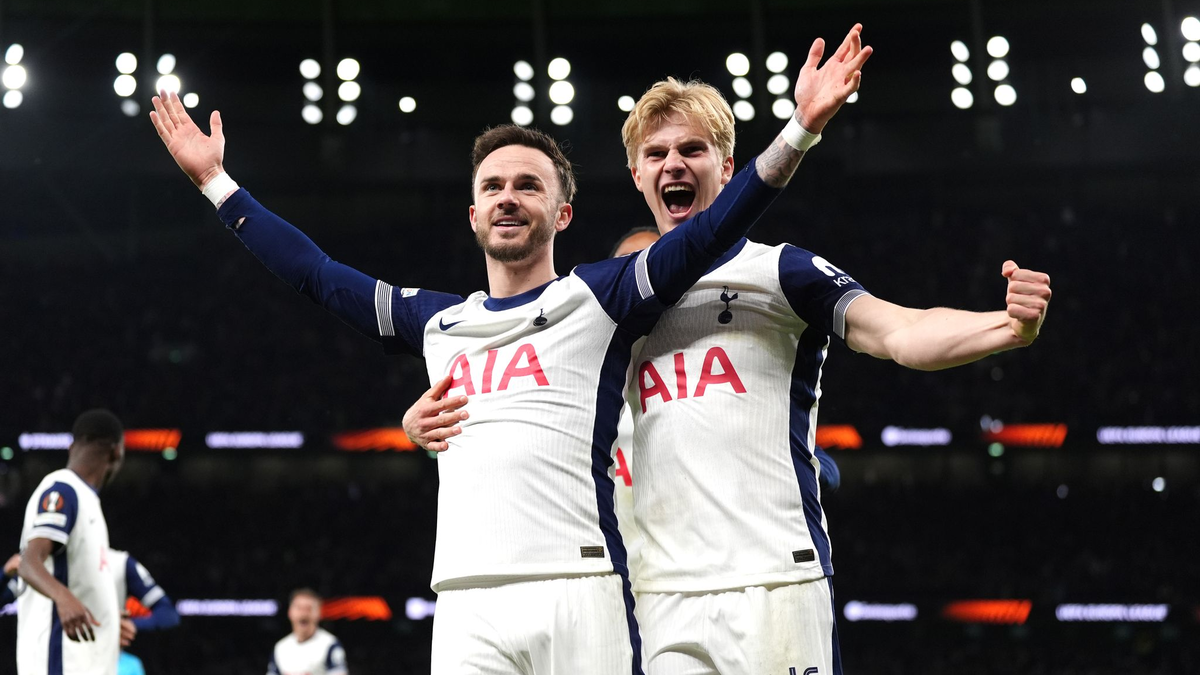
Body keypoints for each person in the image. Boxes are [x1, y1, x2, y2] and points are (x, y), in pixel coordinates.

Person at [149, 25, 861, 671]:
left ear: (563, 211)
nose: (508, 197)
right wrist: (216, 182)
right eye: (492, 186)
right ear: (473, 212)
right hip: (465, 601)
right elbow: (318, 275)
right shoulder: (436, 323)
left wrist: (799, 129)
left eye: (528, 185)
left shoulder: (599, 298)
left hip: (587, 588)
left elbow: (708, 233)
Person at [411, 25, 1051, 675]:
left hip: (778, 579)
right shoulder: (601, 314)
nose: (674, 164)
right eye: (656, 154)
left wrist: (1004, 326)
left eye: (693, 148)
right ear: (637, 175)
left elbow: (898, 332)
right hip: (662, 594)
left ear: (727, 163)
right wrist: (418, 420)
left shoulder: (783, 272)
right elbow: (516, 400)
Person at [17, 409, 126, 675]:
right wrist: (64, 599)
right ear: (116, 453)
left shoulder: (88, 501)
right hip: (60, 664)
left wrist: (107, 622)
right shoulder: (64, 489)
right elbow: (29, 563)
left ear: (71, 447)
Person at [267, 589, 346, 675]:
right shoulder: (280, 647)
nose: (304, 613)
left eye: (309, 609)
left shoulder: (329, 644)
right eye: (299, 608)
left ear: (319, 613)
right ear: (290, 612)